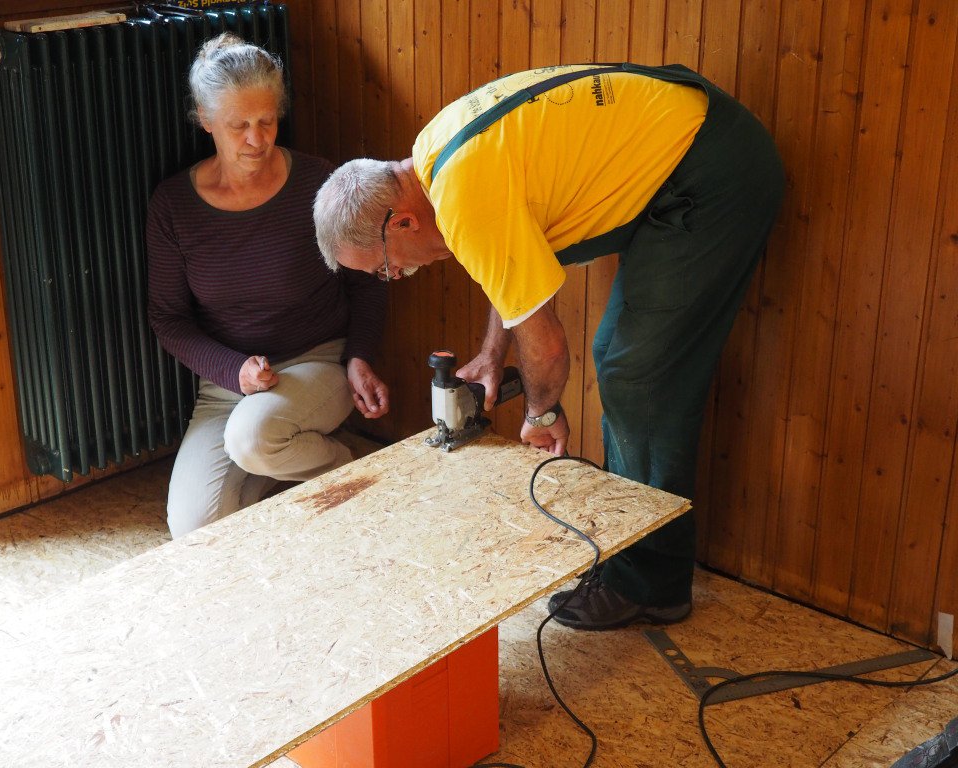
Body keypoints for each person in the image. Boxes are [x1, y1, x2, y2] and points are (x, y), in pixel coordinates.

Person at [312, 63, 784, 630]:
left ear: (403, 223)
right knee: (620, 361)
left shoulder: (463, 199)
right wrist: (493, 354)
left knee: (640, 377)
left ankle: (650, 585)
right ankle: (635, 557)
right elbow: (514, 262)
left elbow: (549, 347)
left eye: (384, 268)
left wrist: (541, 413)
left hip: (712, 172)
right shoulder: (433, 155)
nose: (394, 277)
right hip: (690, 148)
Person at [147, 33, 389, 539]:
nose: (256, 140)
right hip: (227, 385)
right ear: (205, 118)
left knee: (253, 436)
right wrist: (232, 370)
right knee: (194, 528)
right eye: (238, 126)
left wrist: (359, 356)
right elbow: (169, 319)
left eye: (267, 121)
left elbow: (368, 281)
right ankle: (280, 462)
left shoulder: (316, 181)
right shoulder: (173, 205)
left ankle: (348, 468)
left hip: (316, 363)